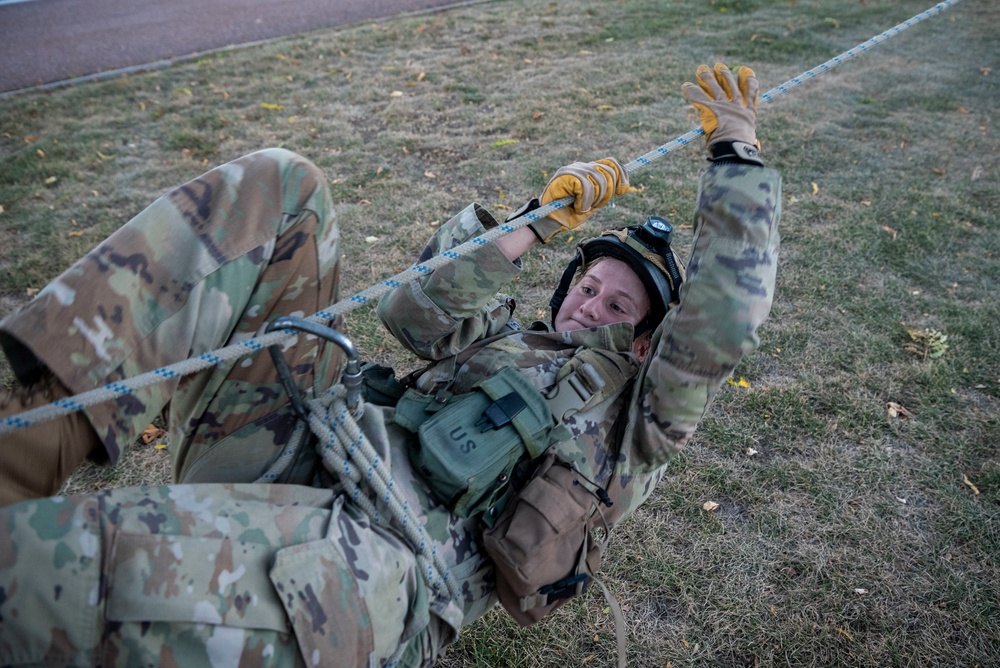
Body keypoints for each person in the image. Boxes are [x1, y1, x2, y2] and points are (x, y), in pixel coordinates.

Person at [0, 63, 781, 667]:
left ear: (646, 343)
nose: (590, 305)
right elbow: (411, 313)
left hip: (360, 564)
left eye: (619, 308)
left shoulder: (638, 425)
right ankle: (17, 453)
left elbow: (720, 321)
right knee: (284, 187)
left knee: (26, 570)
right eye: (589, 284)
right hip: (303, 453)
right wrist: (531, 226)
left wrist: (736, 154)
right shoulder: (503, 336)